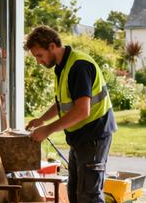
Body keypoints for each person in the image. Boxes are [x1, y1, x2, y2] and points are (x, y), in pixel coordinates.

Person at [24, 25, 116, 203]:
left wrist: (47, 130)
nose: (38, 61)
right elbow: (63, 103)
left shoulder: (79, 66)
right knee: (74, 193)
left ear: (52, 46)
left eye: (39, 55)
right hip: (80, 138)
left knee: (89, 196)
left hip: (94, 136)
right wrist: (42, 120)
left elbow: (82, 110)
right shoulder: (62, 67)